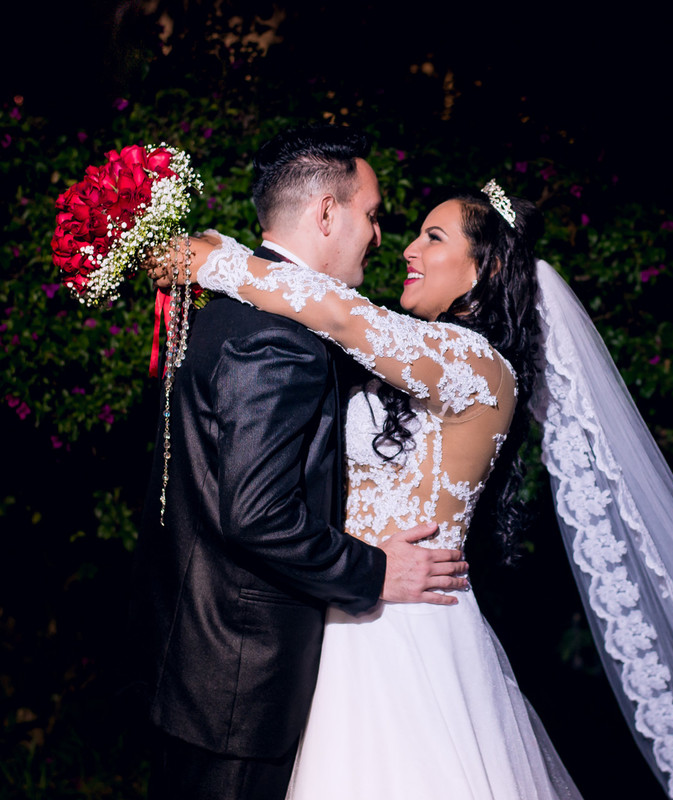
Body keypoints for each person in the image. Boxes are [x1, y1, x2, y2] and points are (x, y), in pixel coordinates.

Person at [172, 178, 673, 800]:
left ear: (483, 272)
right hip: (347, 613)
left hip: (409, 631)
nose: (408, 251)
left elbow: (336, 313)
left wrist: (220, 259)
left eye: (432, 237)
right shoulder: (401, 364)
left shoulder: (477, 366)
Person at [130, 127, 470, 800]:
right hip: (239, 690)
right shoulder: (278, 340)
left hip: (200, 665)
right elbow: (256, 515)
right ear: (325, 213)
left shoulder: (229, 312)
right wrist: (376, 570)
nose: (380, 237)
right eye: (372, 215)